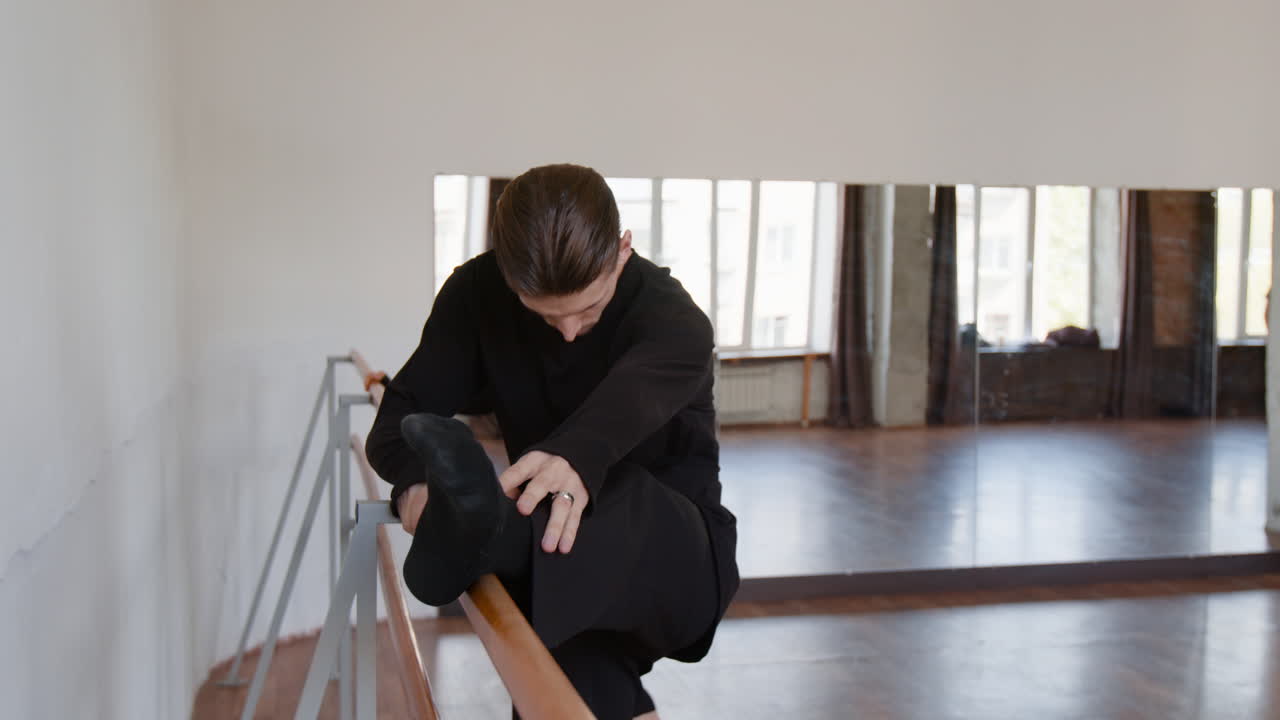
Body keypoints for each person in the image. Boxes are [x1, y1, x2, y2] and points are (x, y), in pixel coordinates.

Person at [366, 164, 739, 720]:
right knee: (568, 697)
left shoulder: (673, 320)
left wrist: (569, 460)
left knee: (621, 495)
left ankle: (483, 528)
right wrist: (416, 488)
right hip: (552, 562)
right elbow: (397, 424)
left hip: (672, 559)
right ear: (506, 276)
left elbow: (614, 416)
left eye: (588, 310)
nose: (567, 332)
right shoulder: (476, 294)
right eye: (543, 314)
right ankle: (481, 526)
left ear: (622, 251)